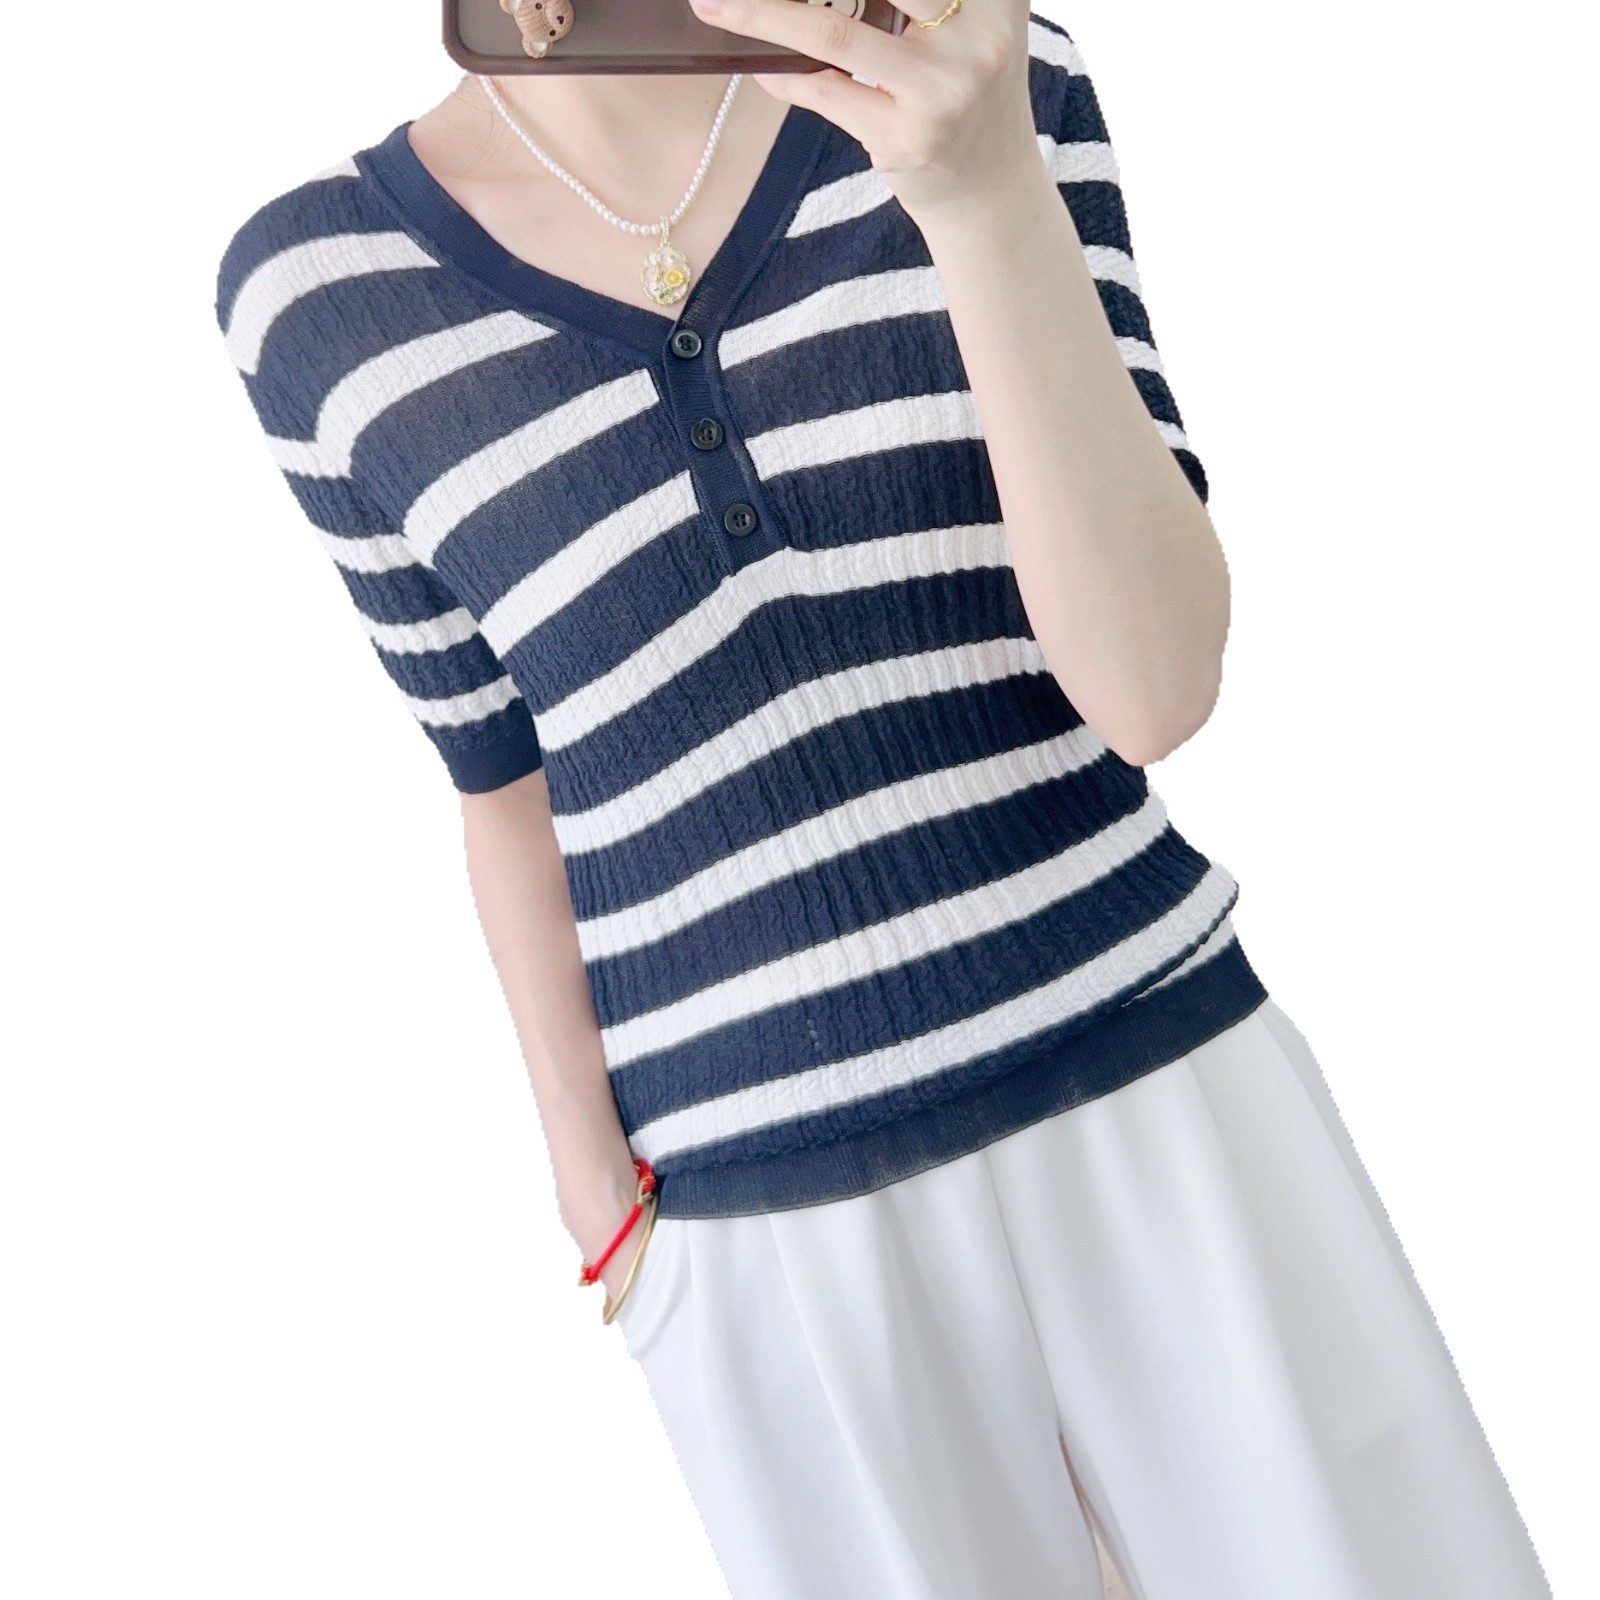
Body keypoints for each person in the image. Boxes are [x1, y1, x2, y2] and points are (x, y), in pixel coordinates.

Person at [213, 2, 1553, 1595]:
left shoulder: (979, 74)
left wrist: (978, 190)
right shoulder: (316, 294)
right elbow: (498, 775)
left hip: (1157, 1092)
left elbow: (1156, 690)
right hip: (763, 1223)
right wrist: (599, 1201)